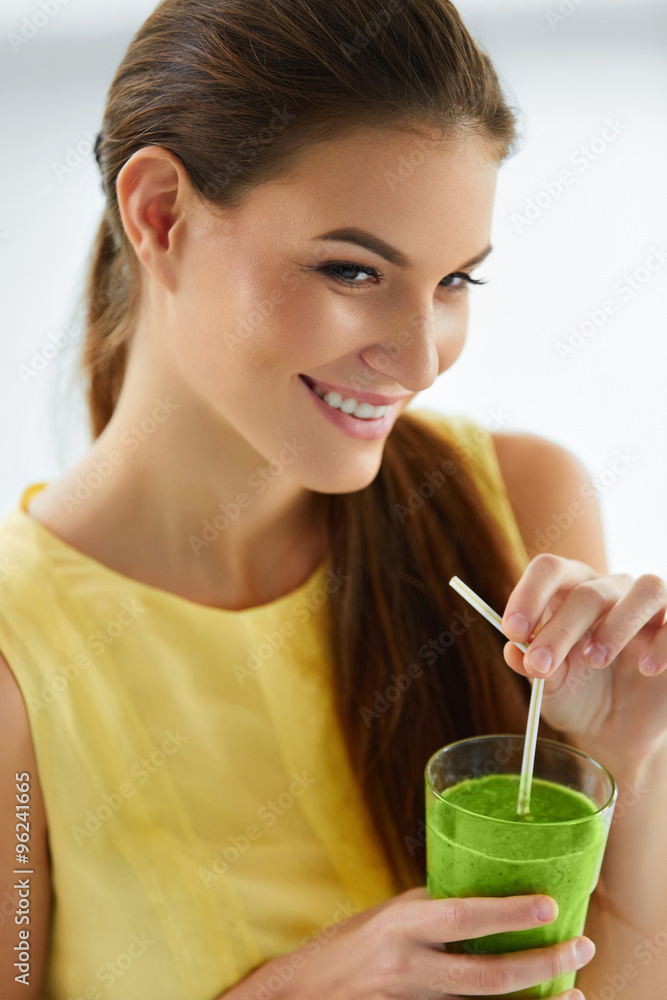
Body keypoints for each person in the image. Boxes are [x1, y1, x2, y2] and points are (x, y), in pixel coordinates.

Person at [1, 0, 665, 997]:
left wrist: (627, 761)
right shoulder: (20, 653)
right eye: (352, 269)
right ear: (160, 215)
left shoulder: (521, 509)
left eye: (453, 282)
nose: (420, 360)